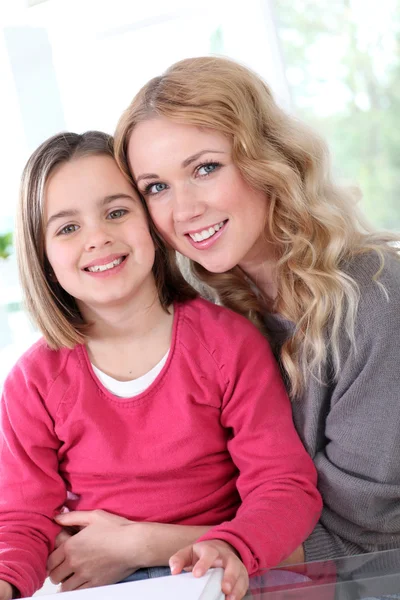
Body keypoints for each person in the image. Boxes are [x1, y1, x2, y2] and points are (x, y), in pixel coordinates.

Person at [0, 130, 321, 600]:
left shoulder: (229, 344)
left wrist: (233, 545)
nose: (99, 238)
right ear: (43, 256)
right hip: (109, 588)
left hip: (232, 574)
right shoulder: (34, 381)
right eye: (68, 228)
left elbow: (283, 485)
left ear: (151, 225)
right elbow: (21, 518)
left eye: (116, 212)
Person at [112, 55, 400, 567]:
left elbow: (366, 541)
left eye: (204, 168)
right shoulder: (214, 310)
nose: (183, 210)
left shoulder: (375, 298)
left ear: (267, 158)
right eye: (155, 187)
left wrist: (141, 544)